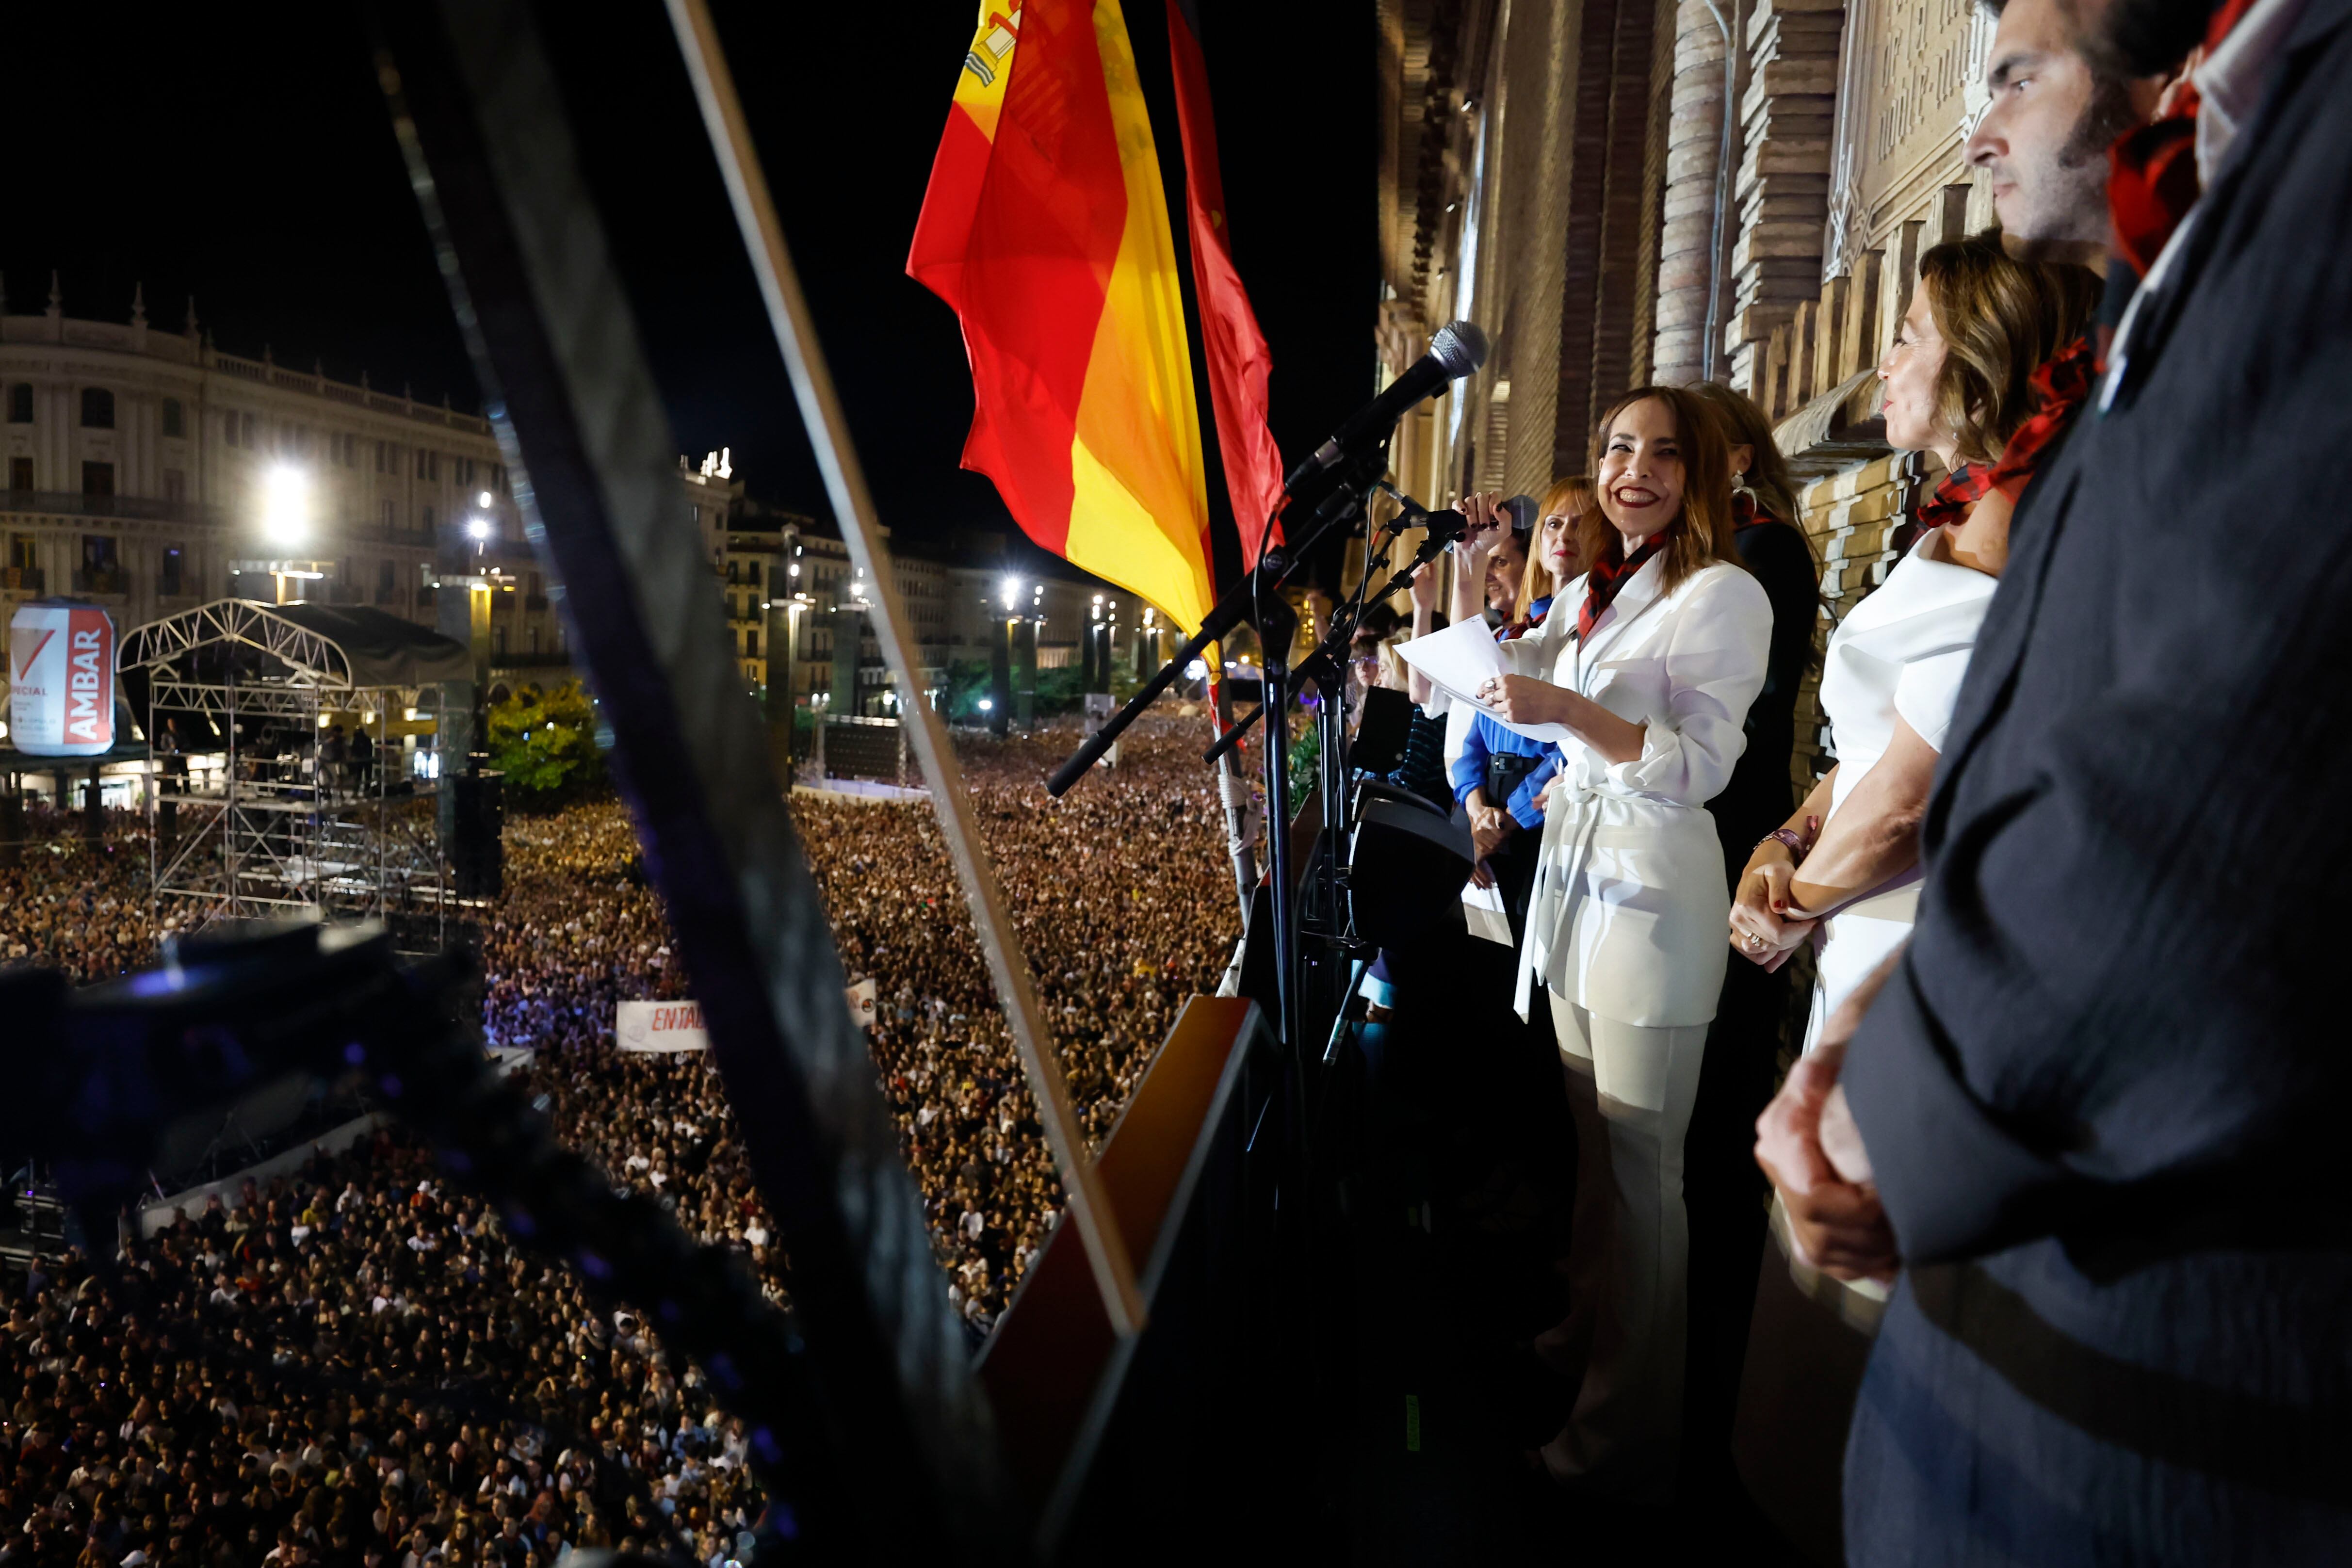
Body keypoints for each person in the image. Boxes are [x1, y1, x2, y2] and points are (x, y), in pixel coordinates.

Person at [1757, 0, 2352, 1556]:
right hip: (2001, 1317)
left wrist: (1899, 1103)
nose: (1973, 133)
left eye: (2015, 75)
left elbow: (2214, 785)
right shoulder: (2166, 289)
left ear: (2150, 84)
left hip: (2152, 1397)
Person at [1472, 386, 1772, 1495]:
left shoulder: (1723, 593)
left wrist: (1569, 713)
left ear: (1703, 471)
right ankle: (1583, 1332)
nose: (1630, 469)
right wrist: (1475, 597)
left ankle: (1620, 1434)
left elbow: (1699, 764)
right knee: (1595, 1156)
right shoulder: (1607, 587)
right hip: (1575, 891)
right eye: (1614, 448)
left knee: (1646, 1178)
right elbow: (1511, 673)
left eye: (1659, 452)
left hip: (1650, 901)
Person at [1452, 480, 1588, 942]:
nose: (1564, 535)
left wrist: (1508, 819)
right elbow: (1472, 729)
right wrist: (1475, 811)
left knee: (1531, 957)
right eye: (1553, 523)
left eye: (1581, 524)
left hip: (1538, 812)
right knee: (1488, 951)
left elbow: (1573, 745)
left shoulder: (1593, 627)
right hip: (1489, 808)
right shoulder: (1523, 630)